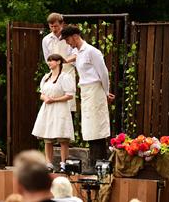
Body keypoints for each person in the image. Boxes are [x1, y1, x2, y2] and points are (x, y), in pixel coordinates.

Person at [60, 26, 115, 171]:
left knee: (97, 126)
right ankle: (94, 162)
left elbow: (103, 73)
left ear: (75, 36)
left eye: (67, 39)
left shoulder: (92, 51)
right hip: (85, 90)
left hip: (95, 89)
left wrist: (106, 92)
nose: (67, 43)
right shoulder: (77, 52)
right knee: (89, 126)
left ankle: (99, 163)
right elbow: (70, 60)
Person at [32, 54, 76, 172]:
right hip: (48, 109)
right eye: (49, 60)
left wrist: (54, 100)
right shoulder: (46, 77)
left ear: (58, 62)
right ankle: (49, 164)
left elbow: (69, 95)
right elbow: (41, 93)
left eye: (52, 60)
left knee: (62, 138)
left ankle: (63, 164)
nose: (49, 63)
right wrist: (45, 98)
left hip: (60, 109)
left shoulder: (65, 77)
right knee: (48, 137)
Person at [42, 12, 77, 112]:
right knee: (54, 100)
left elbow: (76, 54)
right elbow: (47, 58)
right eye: (51, 26)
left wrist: (65, 61)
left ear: (62, 24)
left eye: (56, 26)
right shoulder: (46, 40)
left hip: (68, 71)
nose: (54, 29)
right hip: (54, 73)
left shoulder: (68, 37)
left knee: (68, 102)